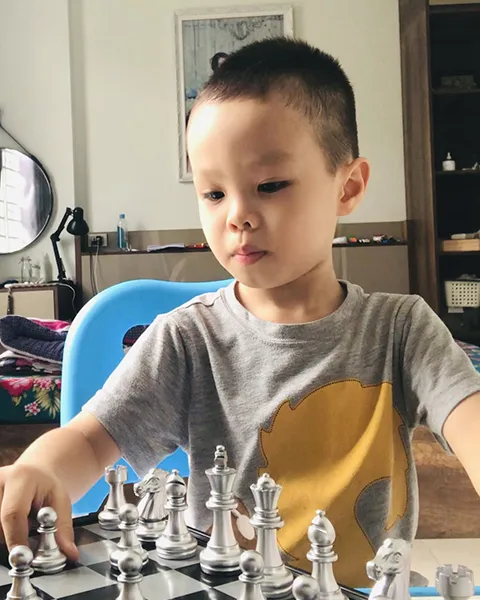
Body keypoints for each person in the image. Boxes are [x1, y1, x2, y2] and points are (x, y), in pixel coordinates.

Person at [1, 37, 480, 588]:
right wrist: (38, 468)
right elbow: (90, 440)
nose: (238, 216)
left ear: (347, 187)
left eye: (269, 185)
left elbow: (468, 417)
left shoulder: (402, 330)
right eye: (213, 194)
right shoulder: (186, 340)